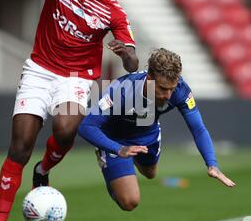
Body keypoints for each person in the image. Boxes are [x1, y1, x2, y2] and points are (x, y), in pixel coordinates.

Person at [0, 0, 139, 221]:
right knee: (20, 145)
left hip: (77, 78)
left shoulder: (113, 10)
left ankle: (44, 168)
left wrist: (127, 54)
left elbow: (133, 63)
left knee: (65, 130)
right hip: (39, 69)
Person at [78, 48, 235, 211]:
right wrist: (119, 149)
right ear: (149, 78)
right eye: (162, 88)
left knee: (150, 174)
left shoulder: (181, 90)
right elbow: (86, 126)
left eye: (171, 89)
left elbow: (198, 129)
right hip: (115, 138)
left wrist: (212, 164)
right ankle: (109, 164)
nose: (168, 95)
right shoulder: (121, 91)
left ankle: (131, 159)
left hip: (148, 133)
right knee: (129, 201)